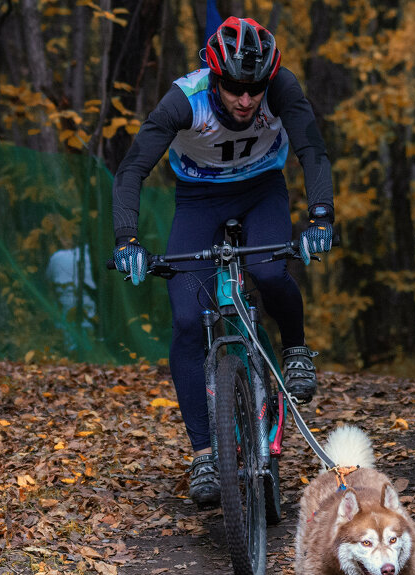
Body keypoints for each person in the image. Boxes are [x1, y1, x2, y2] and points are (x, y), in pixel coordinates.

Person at [111, 16, 335, 509]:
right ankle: (205, 454)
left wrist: (320, 218)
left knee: (270, 270)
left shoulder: (281, 87)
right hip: (199, 199)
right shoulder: (182, 100)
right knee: (189, 320)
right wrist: (127, 238)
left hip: (262, 192)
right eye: (234, 87)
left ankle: (295, 351)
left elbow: (312, 152)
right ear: (215, 77)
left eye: (254, 89)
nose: (246, 100)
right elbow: (132, 169)